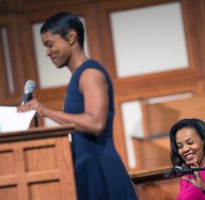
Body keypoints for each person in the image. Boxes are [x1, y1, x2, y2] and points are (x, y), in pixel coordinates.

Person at [18, 12, 137, 200]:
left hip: (101, 171)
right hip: (87, 170)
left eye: (50, 44)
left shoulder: (90, 73)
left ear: (71, 37)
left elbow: (95, 123)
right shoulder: (78, 77)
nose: (47, 52)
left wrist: (45, 111)